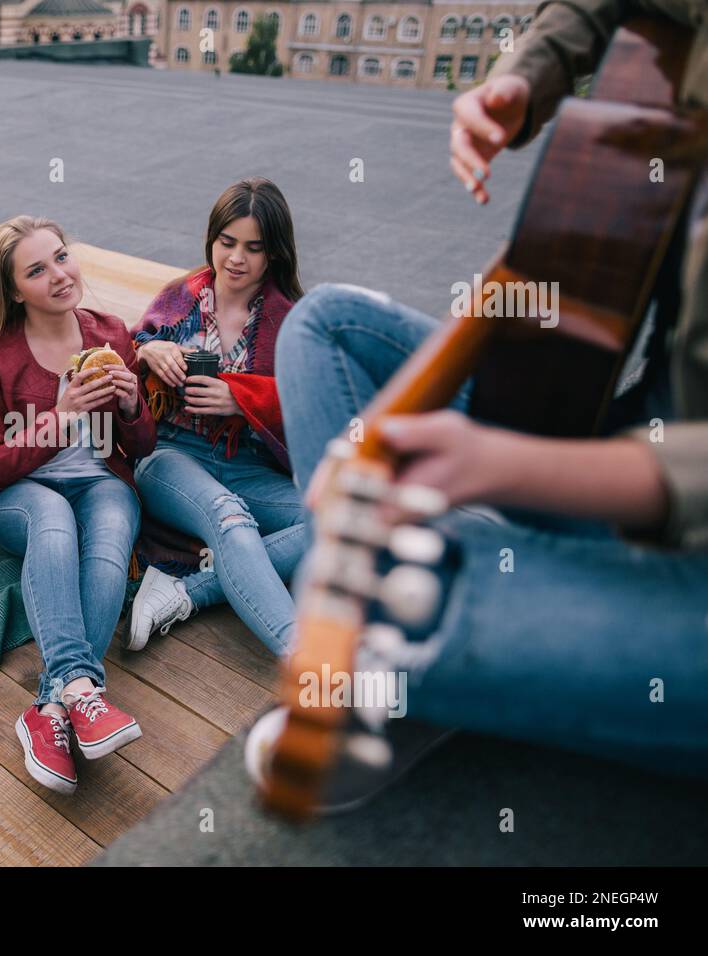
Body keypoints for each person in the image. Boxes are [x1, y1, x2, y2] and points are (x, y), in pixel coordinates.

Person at [247, 0, 708, 806]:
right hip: (630, 423)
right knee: (327, 326)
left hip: (683, 535)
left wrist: (515, 469)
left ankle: (397, 638)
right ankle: (419, 613)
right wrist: (522, 81)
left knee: (400, 612)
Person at [0, 216, 155, 794]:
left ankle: (55, 704)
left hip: (100, 480)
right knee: (53, 520)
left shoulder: (112, 335)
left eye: (62, 257)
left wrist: (131, 405)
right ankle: (80, 692)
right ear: (14, 289)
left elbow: (139, 448)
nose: (59, 275)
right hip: (20, 494)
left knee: (113, 528)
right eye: (37, 270)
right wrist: (63, 416)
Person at [126, 178, 310, 656]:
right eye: (226, 242)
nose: (236, 258)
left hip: (247, 464)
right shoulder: (178, 298)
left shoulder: (288, 320)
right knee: (232, 522)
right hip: (169, 457)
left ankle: (186, 590)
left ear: (274, 254)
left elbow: (314, 402)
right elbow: (116, 351)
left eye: (254, 247)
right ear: (211, 238)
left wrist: (243, 399)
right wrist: (149, 351)